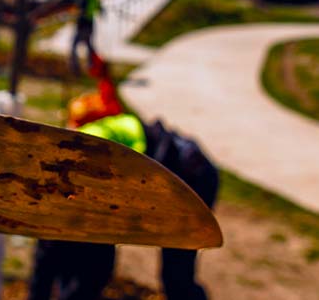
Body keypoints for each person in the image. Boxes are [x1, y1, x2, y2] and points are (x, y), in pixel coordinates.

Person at [28, 62, 219, 300]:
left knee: (176, 273)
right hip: (181, 167)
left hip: (191, 175)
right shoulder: (99, 132)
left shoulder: (92, 142)